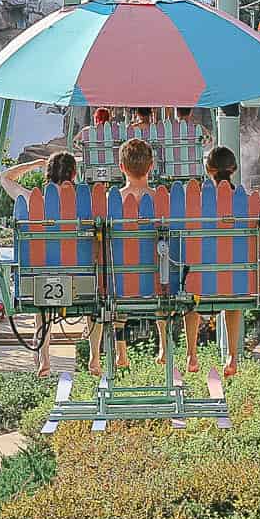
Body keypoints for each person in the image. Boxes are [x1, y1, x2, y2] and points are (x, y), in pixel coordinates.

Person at [176, 145, 244, 379]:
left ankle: (192, 353)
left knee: (190, 296)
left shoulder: (196, 201)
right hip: (233, 278)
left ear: (208, 169)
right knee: (233, 300)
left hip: (200, 278)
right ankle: (232, 355)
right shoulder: (243, 200)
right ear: (233, 169)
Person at [91, 136, 156, 376]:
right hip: (156, 280)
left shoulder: (110, 200)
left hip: (118, 281)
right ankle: (164, 347)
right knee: (164, 299)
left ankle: (120, 350)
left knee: (116, 294)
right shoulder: (163, 198)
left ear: (121, 167)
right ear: (151, 166)